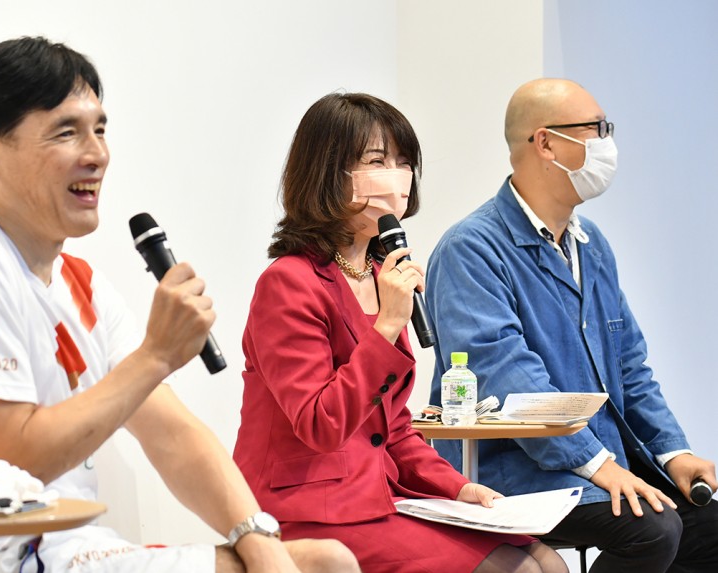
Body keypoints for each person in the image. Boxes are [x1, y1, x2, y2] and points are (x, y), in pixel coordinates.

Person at [0, 36, 360, 573]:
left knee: (322, 561)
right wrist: (155, 356)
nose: (97, 154)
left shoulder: (81, 283)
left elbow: (173, 436)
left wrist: (259, 541)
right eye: (66, 132)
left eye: (99, 129)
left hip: (65, 548)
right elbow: (9, 460)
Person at [232, 92, 567, 573]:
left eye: (404, 162)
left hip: (378, 496)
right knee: (517, 571)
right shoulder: (288, 283)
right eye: (377, 161)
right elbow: (321, 424)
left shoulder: (378, 274)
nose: (397, 175)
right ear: (328, 171)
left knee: (547, 561)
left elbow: (392, 430)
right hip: (305, 510)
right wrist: (388, 324)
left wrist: (457, 487)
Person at [425, 78, 718, 572]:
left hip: (596, 463)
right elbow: (506, 377)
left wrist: (673, 453)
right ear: (545, 143)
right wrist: (598, 463)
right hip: (514, 471)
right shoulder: (471, 249)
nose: (607, 143)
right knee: (653, 531)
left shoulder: (591, 244)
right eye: (596, 129)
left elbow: (630, 369)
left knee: (708, 529)